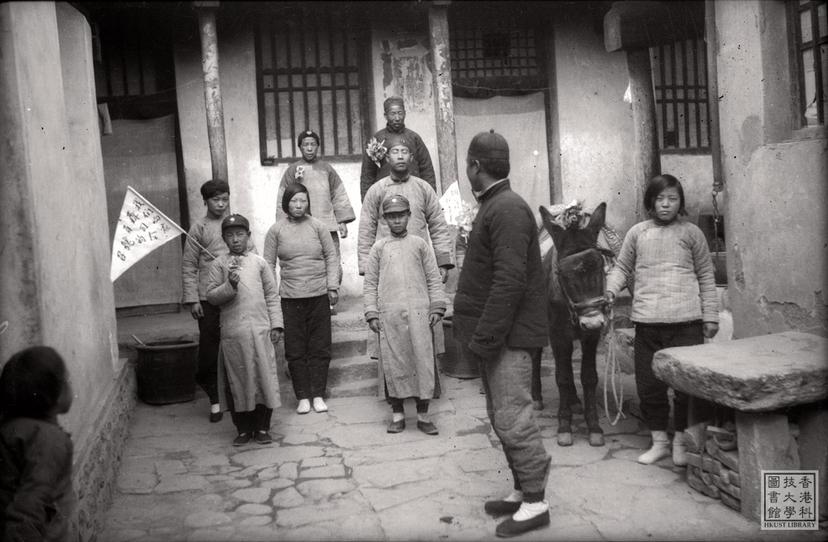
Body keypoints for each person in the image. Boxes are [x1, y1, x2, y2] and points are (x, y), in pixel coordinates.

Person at [453, 130, 551, 538]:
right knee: (502, 416)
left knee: (513, 418)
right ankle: (521, 490)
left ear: (475, 166)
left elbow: (509, 282)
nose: (467, 169)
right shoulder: (498, 204)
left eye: (468, 164)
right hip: (500, 337)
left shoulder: (506, 208)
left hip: (508, 339)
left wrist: (485, 341)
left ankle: (536, 503)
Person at [605, 174, 719, 466]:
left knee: (684, 390)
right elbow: (621, 267)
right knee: (649, 386)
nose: (666, 204)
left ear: (680, 202)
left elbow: (706, 275)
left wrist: (710, 315)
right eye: (660, 198)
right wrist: (609, 291)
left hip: (686, 323)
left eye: (672, 198)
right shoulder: (637, 233)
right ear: (650, 202)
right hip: (648, 323)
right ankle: (659, 442)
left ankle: (681, 441)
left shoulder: (692, 233)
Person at [363, 194, 447, 435]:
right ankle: (398, 414)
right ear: (385, 220)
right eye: (392, 217)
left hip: (420, 314)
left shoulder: (420, 244)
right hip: (390, 316)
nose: (397, 221)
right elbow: (370, 284)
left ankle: (423, 415)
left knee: (422, 362)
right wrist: (372, 312)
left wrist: (436, 306)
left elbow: (433, 278)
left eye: (401, 215)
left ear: (409, 216)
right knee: (394, 363)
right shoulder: (379, 248)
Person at [206, 214, 283, 446]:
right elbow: (211, 297)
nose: (235, 240)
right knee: (238, 380)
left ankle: (262, 427)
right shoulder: (218, 264)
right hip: (234, 333)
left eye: (240, 234)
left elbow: (271, 295)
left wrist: (276, 324)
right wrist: (230, 284)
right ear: (224, 239)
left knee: (262, 378)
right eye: (230, 235)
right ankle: (242, 429)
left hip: (260, 330)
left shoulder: (259, 263)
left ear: (248, 236)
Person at [182, 179, 254, 423]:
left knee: (236, 343)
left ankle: (238, 396)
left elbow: (250, 255)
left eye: (225, 199)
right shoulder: (199, 228)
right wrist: (193, 299)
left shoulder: (235, 224)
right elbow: (190, 265)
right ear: (205, 201)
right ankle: (215, 400)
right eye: (215, 199)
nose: (221, 204)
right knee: (210, 349)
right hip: (209, 297)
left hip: (235, 296)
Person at [264, 183, 339, 415]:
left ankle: (318, 394)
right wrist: (271, 296)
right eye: (294, 201)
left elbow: (331, 257)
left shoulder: (318, 227)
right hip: (290, 298)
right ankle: (303, 396)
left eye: (303, 201)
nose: (298, 205)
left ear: (308, 203)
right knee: (296, 349)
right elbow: (267, 265)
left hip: (318, 296)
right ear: (286, 203)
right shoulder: (276, 231)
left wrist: (332, 286)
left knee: (320, 346)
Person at [0, 346, 75, 542]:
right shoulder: (48, 441)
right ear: (55, 395)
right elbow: (30, 504)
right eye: (67, 379)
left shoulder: (11, 429)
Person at [358, 132, 453, 281]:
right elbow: (366, 229)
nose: (400, 156)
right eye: (395, 152)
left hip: (419, 261)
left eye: (404, 152)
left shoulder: (423, 188)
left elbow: (438, 225)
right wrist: (366, 266)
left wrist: (443, 262)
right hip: (387, 262)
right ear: (388, 158)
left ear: (412, 158)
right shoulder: (377, 190)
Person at [276, 130, 355, 296]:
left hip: (327, 225)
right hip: (300, 226)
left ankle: (331, 296)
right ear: (300, 147)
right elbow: (284, 198)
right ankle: (309, 297)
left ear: (318, 146)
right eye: (306, 145)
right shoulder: (292, 170)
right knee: (306, 261)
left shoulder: (327, 169)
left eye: (313, 144)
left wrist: (342, 221)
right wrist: (283, 225)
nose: (309, 148)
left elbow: (338, 194)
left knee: (331, 259)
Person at [359, 96, 436, 201]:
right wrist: (367, 201)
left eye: (400, 113)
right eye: (393, 114)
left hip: (413, 194)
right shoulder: (377, 139)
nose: (397, 118)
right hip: (385, 196)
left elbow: (427, 170)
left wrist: (430, 198)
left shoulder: (414, 138)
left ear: (405, 113)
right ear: (385, 116)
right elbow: (367, 175)